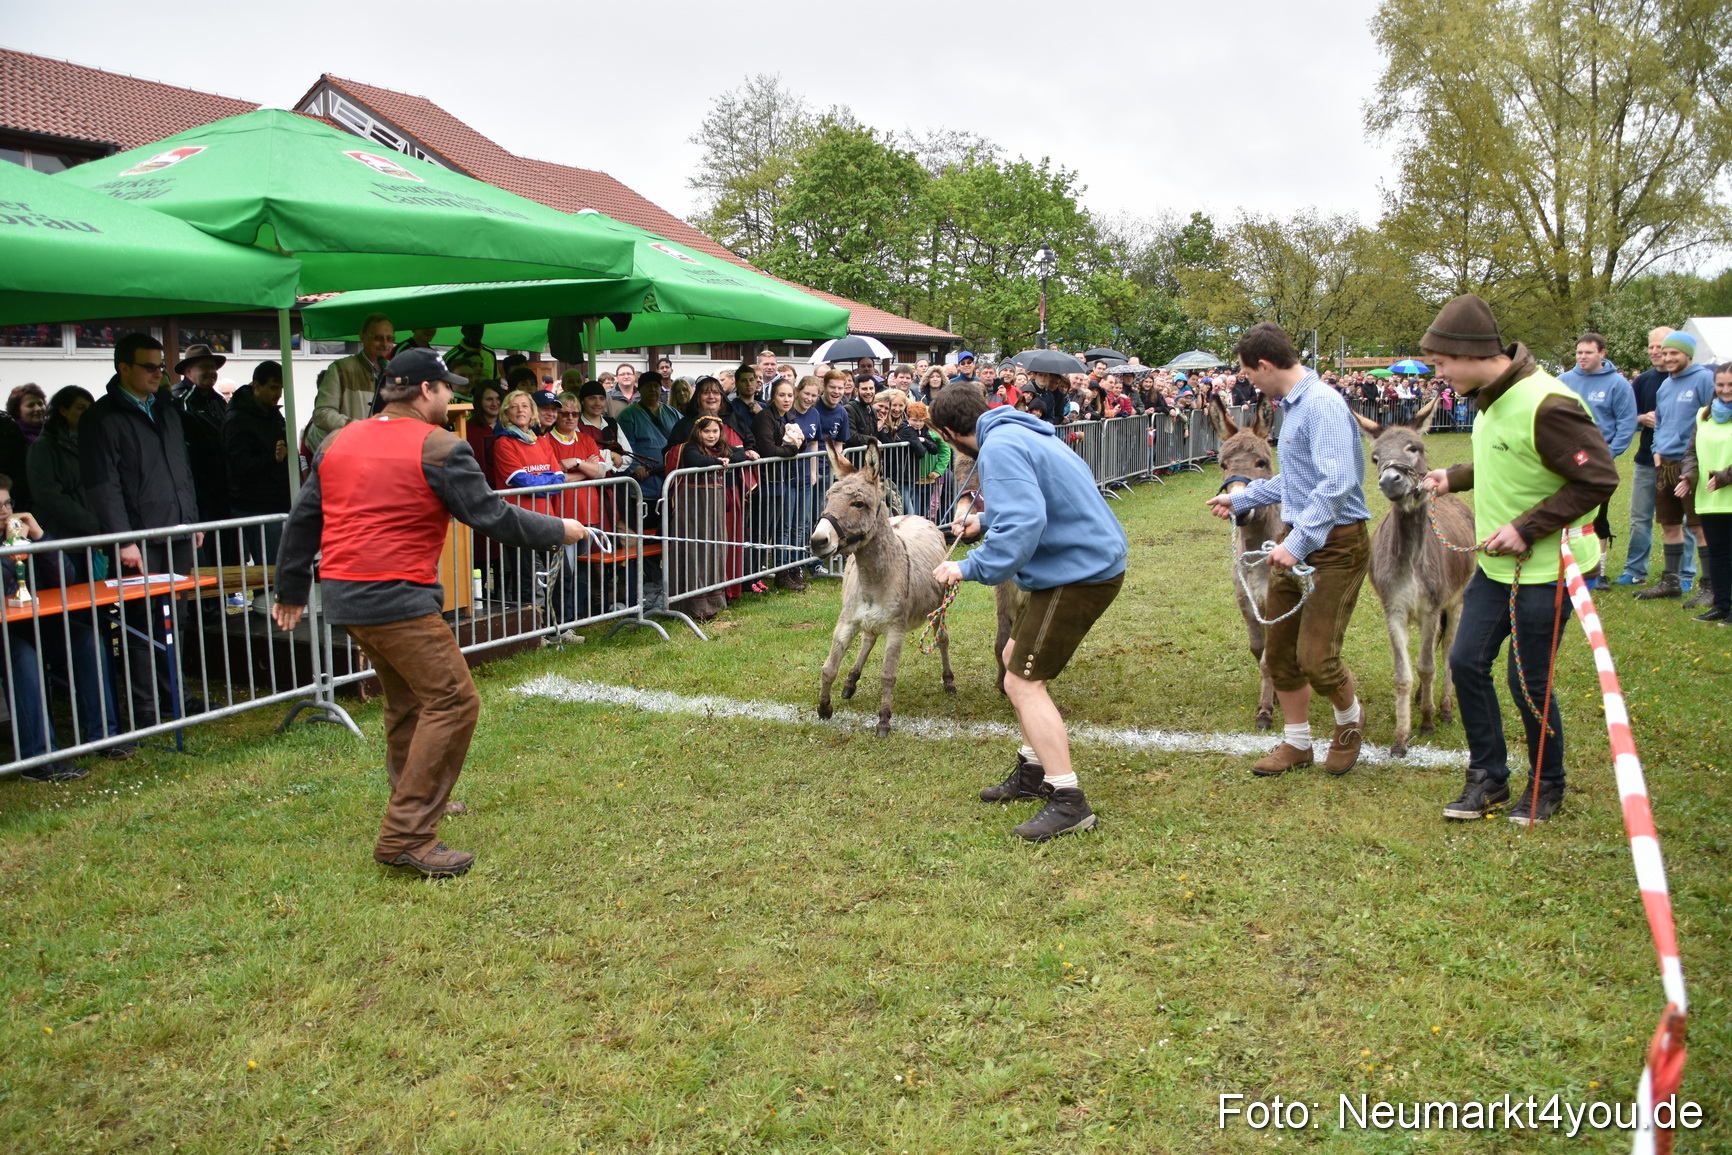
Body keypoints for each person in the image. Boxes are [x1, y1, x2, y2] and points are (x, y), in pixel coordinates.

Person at [274, 348, 585, 877]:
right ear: (424, 391)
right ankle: (409, 834)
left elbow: (302, 519)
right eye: (446, 388)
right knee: (454, 701)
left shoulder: (339, 439)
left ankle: (417, 798)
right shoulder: (441, 447)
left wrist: (291, 589)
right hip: (396, 599)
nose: (452, 396)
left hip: (348, 597)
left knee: (410, 704)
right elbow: (489, 515)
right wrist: (560, 531)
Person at [1417, 295, 1617, 823]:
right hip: (1497, 567)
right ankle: (1489, 777)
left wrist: (1527, 527)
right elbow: (1507, 456)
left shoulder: (1547, 402)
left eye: (1441, 364)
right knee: (1465, 661)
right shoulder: (1489, 397)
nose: (1439, 375)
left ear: (1470, 352)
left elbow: (1598, 479)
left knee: (1528, 679)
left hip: (1553, 569)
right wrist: (1453, 476)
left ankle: (1547, 784)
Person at [930, 384, 1128, 842]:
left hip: (1081, 571)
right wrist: (983, 521)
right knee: (1013, 655)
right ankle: (1033, 771)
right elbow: (1034, 504)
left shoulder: (999, 446)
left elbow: (1026, 522)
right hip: (1081, 562)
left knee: (1021, 681)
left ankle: (1068, 800)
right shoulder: (1020, 431)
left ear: (947, 432)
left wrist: (967, 566)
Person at [1206, 323, 1372, 780]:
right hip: (1297, 540)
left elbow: (1337, 485)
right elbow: (1297, 482)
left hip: (1335, 544)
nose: (1248, 381)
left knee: (1317, 658)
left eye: (1247, 372)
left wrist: (1295, 544)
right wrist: (1240, 499)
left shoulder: (1321, 406)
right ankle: (1297, 742)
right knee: (1278, 653)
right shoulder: (1296, 408)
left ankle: (1348, 721)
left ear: (1264, 365)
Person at [79, 333, 205, 726]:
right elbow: (103, 484)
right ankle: (147, 707)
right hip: (138, 537)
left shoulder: (165, 410)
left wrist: (193, 517)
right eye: (150, 366)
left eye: (161, 366)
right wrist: (124, 539)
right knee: (140, 624)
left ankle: (176, 698)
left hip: (177, 529)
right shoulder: (101, 417)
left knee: (176, 619)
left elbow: (181, 468)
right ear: (124, 368)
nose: (158, 373)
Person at [1635, 331, 1715, 606]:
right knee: (1669, 523)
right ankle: (1671, 581)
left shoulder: (1704, 379)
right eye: (1665, 353)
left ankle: (1710, 585)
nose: (1667, 358)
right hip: (1664, 462)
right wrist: (1657, 448)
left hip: (1690, 463)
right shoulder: (1665, 385)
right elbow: (1661, 421)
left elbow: (1712, 420)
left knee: (1698, 526)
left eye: (1674, 353)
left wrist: (1696, 461)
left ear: (1688, 355)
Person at [1613, 328, 1693, 587]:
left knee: (1683, 520)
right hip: (1647, 459)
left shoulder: (1691, 380)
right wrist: (1640, 419)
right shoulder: (1644, 381)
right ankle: (1635, 570)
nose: (1656, 352)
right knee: (1639, 517)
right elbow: (1627, 415)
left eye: (1662, 347)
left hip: (1681, 461)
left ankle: (1684, 574)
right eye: (1652, 347)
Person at [1558, 332, 1635, 586]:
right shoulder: (1562, 381)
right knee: (1561, 513)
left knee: (1596, 517)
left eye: (1588, 352)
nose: (1582, 357)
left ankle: (1597, 572)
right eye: (1579, 352)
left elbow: (1626, 424)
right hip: (1563, 461)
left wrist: (1607, 455)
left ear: (1602, 353)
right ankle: (1561, 567)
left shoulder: (1618, 384)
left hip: (1598, 463)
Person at [222, 361, 292, 566]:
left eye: (281, 388)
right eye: (273, 387)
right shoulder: (238, 419)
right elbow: (238, 464)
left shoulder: (273, 414)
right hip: (255, 506)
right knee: (272, 569)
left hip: (277, 502)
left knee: (282, 564)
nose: (278, 393)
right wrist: (273, 459)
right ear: (256, 386)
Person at [1680, 363, 1732, 623]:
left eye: (1731, 385)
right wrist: (1689, 476)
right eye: (1720, 385)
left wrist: (1725, 477)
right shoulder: (1704, 415)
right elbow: (1691, 452)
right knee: (1718, 554)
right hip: (1710, 499)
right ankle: (1722, 605)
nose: (1725, 390)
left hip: (1727, 493)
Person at [751, 376, 808, 591]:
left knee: (774, 529)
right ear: (773, 396)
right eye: (781, 395)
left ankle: (779, 573)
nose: (786, 399)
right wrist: (793, 450)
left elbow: (795, 446)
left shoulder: (788, 417)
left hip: (782, 480)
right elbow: (769, 450)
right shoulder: (765, 417)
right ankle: (753, 576)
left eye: (790, 395)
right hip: (766, 482)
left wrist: (800, 443)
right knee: (761, 531)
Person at [308, 313, 393, 454]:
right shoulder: (341, 369)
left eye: (389, 339)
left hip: (386, 454)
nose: (385, 344)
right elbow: (322, 414)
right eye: (378, 338)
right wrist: (355, 427)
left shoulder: (396, 371)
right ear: (362, 337)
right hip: (352, 455)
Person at [26, 386, 99, 546]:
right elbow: (47, 494)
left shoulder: (95, 443)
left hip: (92, 536)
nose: (87, 413)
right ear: (63, 410)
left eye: (90, 408)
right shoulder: (43, 447)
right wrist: (90, 522)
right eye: (80, 408)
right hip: (60, 536)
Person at [0, 383, 48, 513]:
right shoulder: (10, 435)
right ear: (17, 410)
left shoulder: (53, 434)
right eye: (30, 405)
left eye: (40, 403)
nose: (38, 408)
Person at [171, 343, 229, 428]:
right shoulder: (179, 399)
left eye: (213, 367)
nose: (211, 371)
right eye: (205, 367)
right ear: (188, 371)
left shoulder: (218, 400)